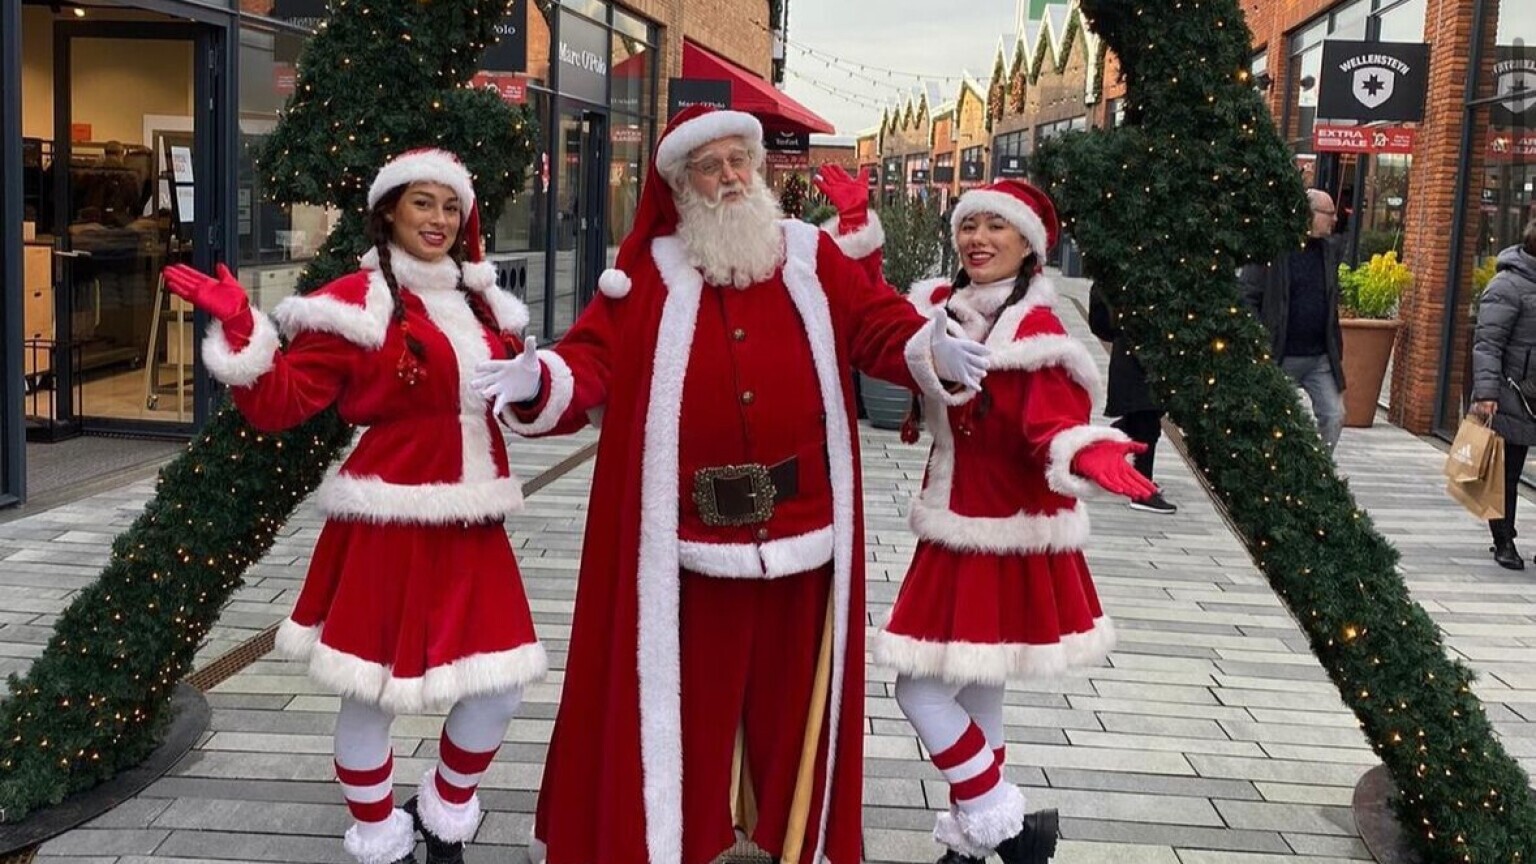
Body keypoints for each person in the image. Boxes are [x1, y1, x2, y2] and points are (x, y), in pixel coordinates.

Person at [471, 106, 989, 864]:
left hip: (806, 531)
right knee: (686, 707)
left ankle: (788, 834)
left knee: (790, 706)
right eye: (709, 167)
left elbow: (879, 328)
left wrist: (932, 347)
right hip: (684, 539)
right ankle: (678, 836)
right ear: (681, 185)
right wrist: (538, 378)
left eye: (738, 161)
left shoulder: (812, 256)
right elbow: (591, 359)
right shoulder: (646, 271)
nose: (729, 178)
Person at [163, 148, 546, 864]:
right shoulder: (354, 302)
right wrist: (244, 329)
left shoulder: (484, 302)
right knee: (369, 693)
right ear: (389, 212)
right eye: (422, 202)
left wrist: (533, 384)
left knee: (500, 687)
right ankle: (378, 834)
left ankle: (443, 811)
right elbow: (280, 404)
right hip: (385, 524)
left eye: (450, 205)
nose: (438, 219)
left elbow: (518, 410)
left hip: (474, 525)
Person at [879, 179, 1156, 864]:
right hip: (957, 523)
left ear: (1028, 245)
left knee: (917, 685)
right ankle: (977, 846)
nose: (977, 238)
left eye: (995, 227)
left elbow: (1052, 423)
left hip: (1001, 532)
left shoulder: (1036, 333)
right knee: (978, 690)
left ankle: (1006, 824)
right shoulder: (946, 310)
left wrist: (1088, 452)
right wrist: (858, 231)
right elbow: (876, 322)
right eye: (968, 226)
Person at [1240, 189, 1346, 453]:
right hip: (1279, 355)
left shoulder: (1328, 252)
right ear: (1308, 215)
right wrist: (1259, 339)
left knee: (1334, 415)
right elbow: (1247, 295)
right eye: (1329, 214)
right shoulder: (1272, 250)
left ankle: (1320, 473)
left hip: (1319, 358)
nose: (1334, 220)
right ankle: (1275, 474)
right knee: (1276, 423)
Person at [1471, 218, 1536, 570]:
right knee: (1505, 472)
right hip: (1511, 392)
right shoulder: (1506, 286)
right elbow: (1487, 344)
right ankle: (1503, 538)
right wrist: (1486, 393)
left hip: (1533, 390)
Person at [1088, 286, 1177, 514]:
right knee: (1145, 417)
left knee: (1145, 415)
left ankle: (1102, 451)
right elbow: (1099, 313)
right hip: (1136, 351)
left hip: (1137, 349)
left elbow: (1099, 318)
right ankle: (1142, 490)